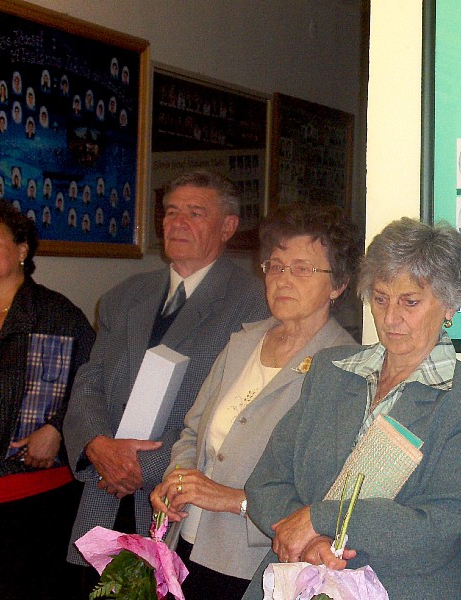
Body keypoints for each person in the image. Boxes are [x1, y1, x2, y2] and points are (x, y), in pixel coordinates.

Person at [243, 217, 461, 600]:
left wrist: (320, 518)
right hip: (298, 578)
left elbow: (439, 528)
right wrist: (308, 539)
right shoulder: (331, 371)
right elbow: (266, 481)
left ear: (450, 304)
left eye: (410, 302)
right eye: (380, 299)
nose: (391, 317)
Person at [63, 171, 270, 592]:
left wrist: (139, 466)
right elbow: (90, 379)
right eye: (171, 212)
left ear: (228, 226)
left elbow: (235, 411)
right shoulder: (124, 295)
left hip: (178, 497)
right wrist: (96, 446)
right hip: (105, 487)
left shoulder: (255, 303)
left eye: (195, 213)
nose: (178, 222)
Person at [149, 205, 359, 599]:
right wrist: (177, 478)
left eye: (302, 269)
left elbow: (328, 493)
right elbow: (193, 431)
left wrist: (233, 500)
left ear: (338, 284)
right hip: (187, 541)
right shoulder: (243, 341)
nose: (283, 279)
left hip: (259, 563)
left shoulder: (345, 367)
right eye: (275, 266)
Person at [0, 199, 94, 600]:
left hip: (28, 491)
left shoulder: (54, 314)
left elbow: (93, 386)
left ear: (22, 249)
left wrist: (58, 428)